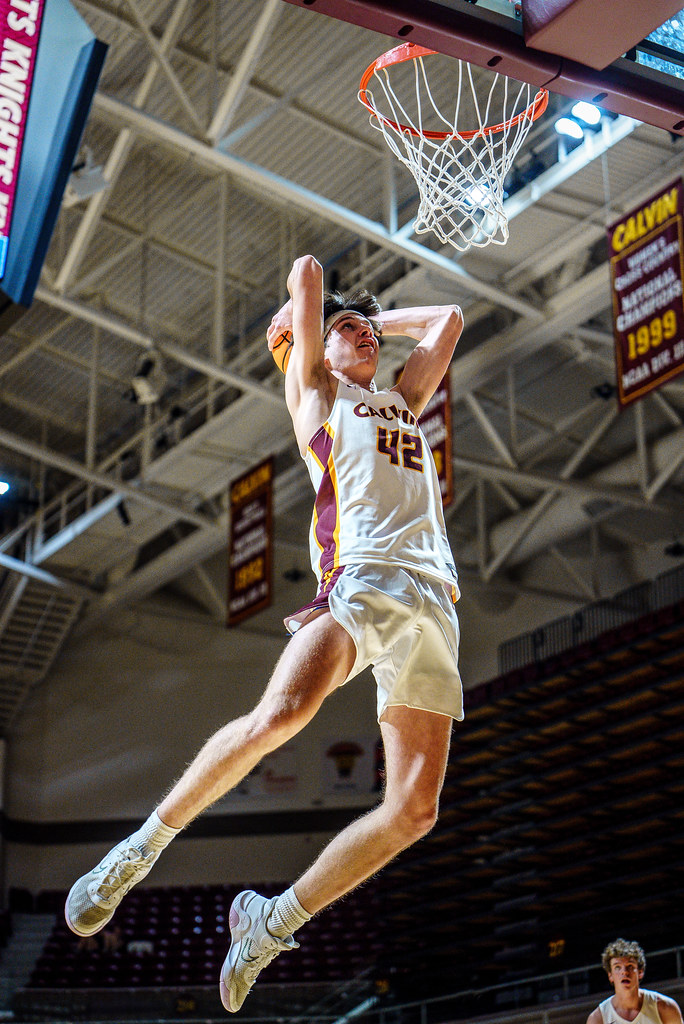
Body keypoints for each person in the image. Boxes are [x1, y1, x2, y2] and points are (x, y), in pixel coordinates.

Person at [65, 254, 464, 1013]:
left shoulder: (402, 399)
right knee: (280, 716)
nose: (365, 339)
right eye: (347, 330)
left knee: (415, 811)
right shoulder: (315, 393)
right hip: (364, 578)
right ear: (312, 344)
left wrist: (376, 321)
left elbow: (449, 322)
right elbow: (307, 271)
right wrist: (321, 322)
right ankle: (134, 855)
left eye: (367, 331)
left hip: (435, 604)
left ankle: (270, 922)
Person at [586, 938, 683, 1024]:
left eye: (630, 966)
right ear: (610, 975)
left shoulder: (665, 1007)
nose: (624, 972)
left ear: (640, 972)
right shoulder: (598, 1018)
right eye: (617, 967)